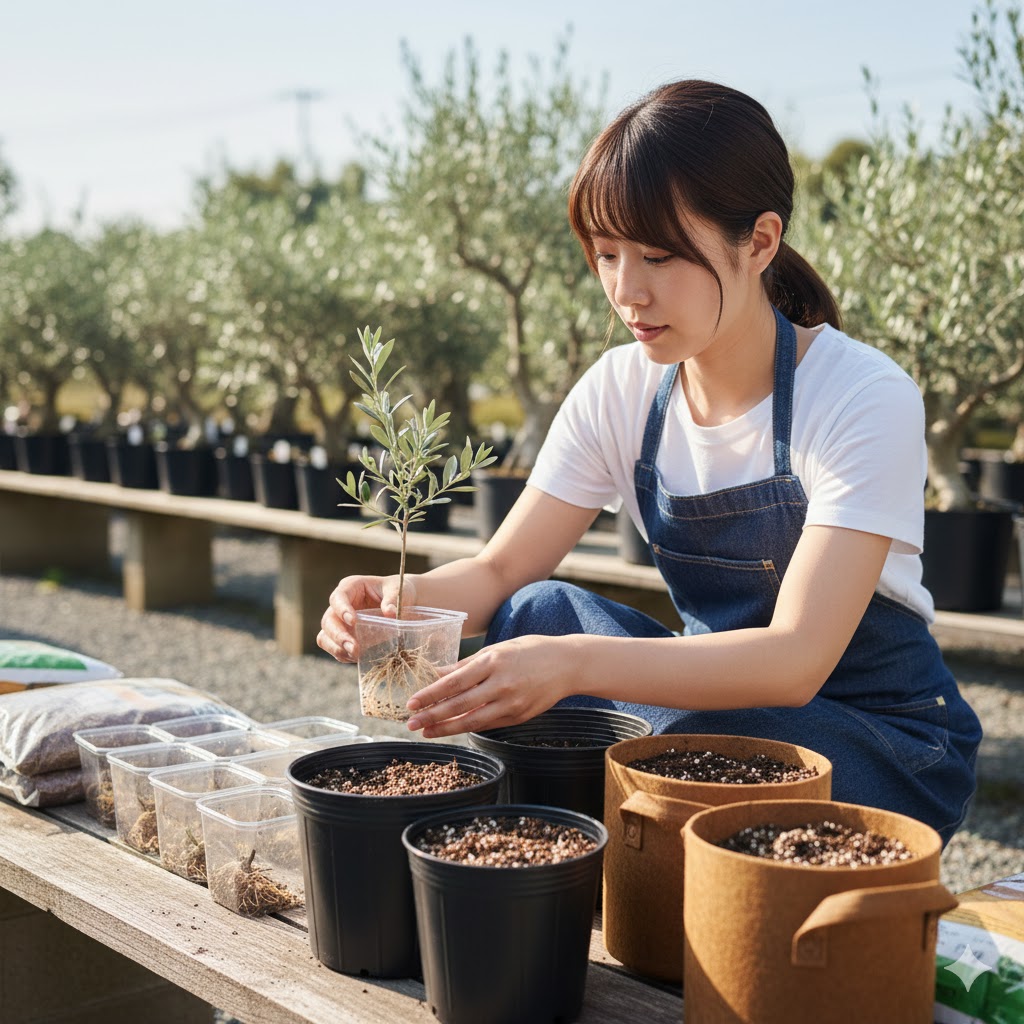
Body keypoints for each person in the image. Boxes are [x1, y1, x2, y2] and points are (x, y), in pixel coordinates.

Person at [318, 79, 981, 843]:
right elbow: (500, 572)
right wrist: (400, 599)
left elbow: (796, 660)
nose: (627, 291)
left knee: (613, 694)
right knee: (534, 613)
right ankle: (587, 854)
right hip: (714, 717)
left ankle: (618, 840)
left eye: (660, 256)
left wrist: (572, 667)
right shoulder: (621, 389)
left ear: (760, 241)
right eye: (606, 255)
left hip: (878, 745)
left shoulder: (861, 393)